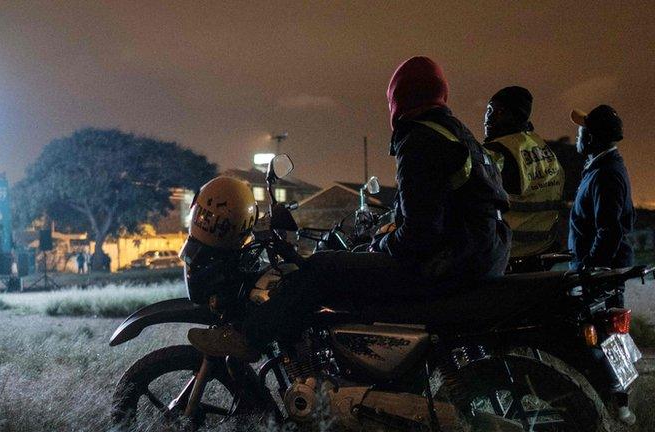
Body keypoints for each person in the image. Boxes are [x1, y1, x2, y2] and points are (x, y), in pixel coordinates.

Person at [188, 57, 511, 360]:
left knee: (318, 268)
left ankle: (248, 337)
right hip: (478, 258)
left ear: (400, 98)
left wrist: (382, 244)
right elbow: (428, 210)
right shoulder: (455, 133)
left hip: (448, 265)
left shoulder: (420, 139)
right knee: (352, 264)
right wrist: (383, 234)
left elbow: (420, 234)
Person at [482, 86, 565, 263]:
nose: (488, 117)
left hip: (509, 251)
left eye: (497, 111)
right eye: (488, 110)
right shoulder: (541, 146)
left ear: (513, 116)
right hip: (543, 247)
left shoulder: (496, 153)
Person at [568, 104, 635, 274]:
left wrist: (592, 266)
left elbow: (609, 230)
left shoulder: (605, 175)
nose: (577, 136)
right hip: (604, 269)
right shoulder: (602, 168)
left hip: (601, 275)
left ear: (590, 137)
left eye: (581, 130)